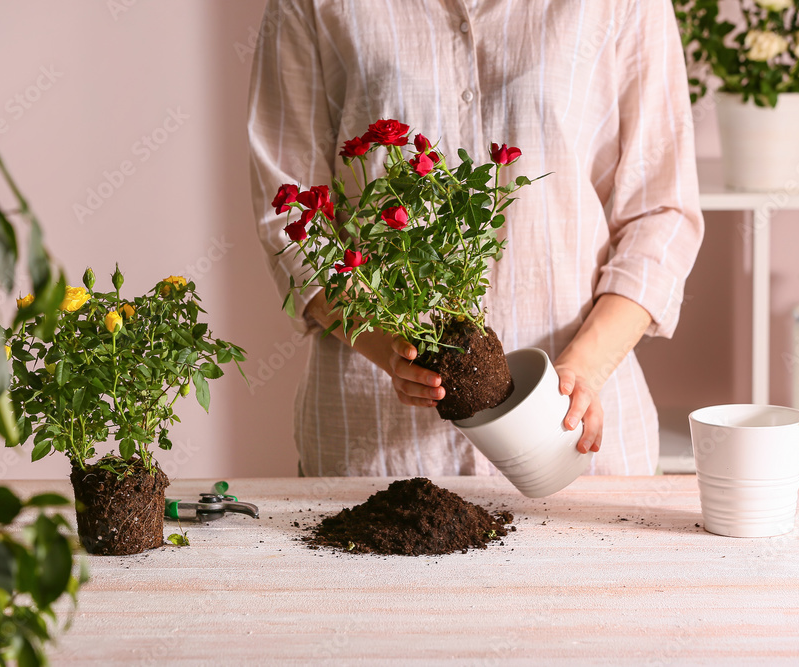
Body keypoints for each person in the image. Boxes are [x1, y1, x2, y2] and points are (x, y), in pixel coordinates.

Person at [248, 0, 703, 477]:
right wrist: (391, 350)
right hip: (377, 450)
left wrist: (583, 368)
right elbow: (291, 215)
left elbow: (661, 211)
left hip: (571, 439)